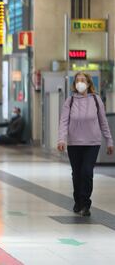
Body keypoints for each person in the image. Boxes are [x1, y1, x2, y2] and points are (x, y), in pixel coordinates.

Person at [58, 72, 113, 217]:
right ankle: (78, 201)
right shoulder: (69, 101)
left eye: (83, 80)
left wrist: (109, 141)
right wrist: (61, 139)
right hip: (74, 143)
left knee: (87, 172)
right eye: (77, 80)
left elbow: (103, 122)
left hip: (92, 143)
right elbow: (64, 122)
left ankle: (85, 203)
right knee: (77, 174)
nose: (80, 83)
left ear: (88, 83)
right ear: (74, 84)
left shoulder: (96, 100)